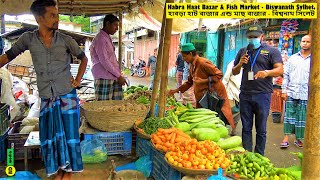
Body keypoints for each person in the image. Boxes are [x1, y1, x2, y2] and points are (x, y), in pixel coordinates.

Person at [0, 0, 88, 179]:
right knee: (51, 137)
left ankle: (68, 173)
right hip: (47, 97)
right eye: (52, 15)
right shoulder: (28, 39)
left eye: (57, 15)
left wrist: (78, 80)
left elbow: (83, 58)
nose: (57, 19)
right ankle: (59, 170)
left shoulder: (65, 40)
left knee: (70, 136)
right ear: (39, 18)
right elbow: (8, 56)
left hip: (67, 96)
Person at [232, 24, 283, 155]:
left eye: (255, 37)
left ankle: (259, 155)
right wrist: (240, 64)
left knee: (261, 129)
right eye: (249, 37)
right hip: (245, 95)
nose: (252, 39)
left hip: (263, 95)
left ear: (261, 36)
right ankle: (247, 154)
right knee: (246, 127)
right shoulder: (242, 51)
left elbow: (280, 69)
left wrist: (266, 72)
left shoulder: (272, 51)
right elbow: (234, 71)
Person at [168, 43, 236, 131]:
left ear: (191, 54)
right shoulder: (192, 65)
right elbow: (189, 82)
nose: (184, 59)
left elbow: (219, 74)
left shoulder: (203, 62)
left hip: (213, 95)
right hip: (202, 97)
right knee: (205, 118)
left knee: (216, 116)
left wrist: (204, 81)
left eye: (185, 57)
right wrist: (176, 90)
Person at [280, 35, 311, 149]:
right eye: (303, 41)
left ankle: (299, 139)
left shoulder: (314, 60)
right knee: (289, 116)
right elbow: (286, 75)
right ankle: (286, 138)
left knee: (302, 117)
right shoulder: (293, 58)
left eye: (308, 42)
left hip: (306, 94)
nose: (305, 43)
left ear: (312, 44)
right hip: (292, 92)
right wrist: (284, 90)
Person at [90, 14, 127, 100]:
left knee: (116, 107)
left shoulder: (106, 37)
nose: (117, 28)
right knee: (103, 108)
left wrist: (118, 75)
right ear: (107, 24)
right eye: (115, 25)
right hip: (104, 78)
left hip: (112, 76)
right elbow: (105, 61)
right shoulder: (101, 39)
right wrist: (119, 76)